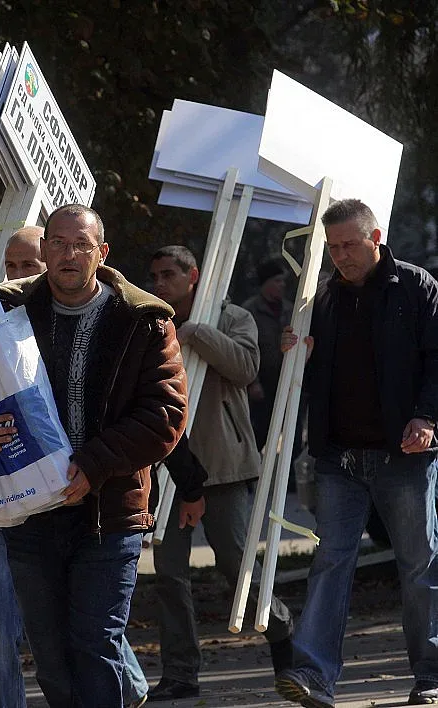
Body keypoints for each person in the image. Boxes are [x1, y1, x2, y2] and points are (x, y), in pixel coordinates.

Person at [0, 205, 206, 708]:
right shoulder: (5, 309)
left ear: (101, 254)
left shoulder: (143, 319)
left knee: (95, 643)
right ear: (45, 251)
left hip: (108, 511)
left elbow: (166, 414)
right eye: (58, 243)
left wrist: (95, 464)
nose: (68, 255)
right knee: (51, 653)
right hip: (28, 511)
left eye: (81, 245)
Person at [276, 198, 438, 708]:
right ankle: (313, 676)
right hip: (339, 457)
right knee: (331, 562)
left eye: (349, 245)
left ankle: (431, 675)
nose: (340, 256)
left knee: (419, 564)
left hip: (405, 456)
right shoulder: (321, 298)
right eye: (332, 248)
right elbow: (310, 373)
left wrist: (428, 417)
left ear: (376, 238)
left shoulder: (417, 287)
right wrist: (294, 349)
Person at [146, 246, 294, 701]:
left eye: (168, 274)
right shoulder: (149, 319)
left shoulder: (233, 317)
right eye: (154, 275)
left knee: (238, 566)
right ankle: (181, 671)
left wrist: (195, 334)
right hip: (169, 468)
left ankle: (284, 638)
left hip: (223, 465)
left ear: (193, 277)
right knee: (169, 573)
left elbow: (246, 367)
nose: (159, 283)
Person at [242, 257, 292, 450]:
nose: (282, 285)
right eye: (277, 280)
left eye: (283, 281)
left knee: (289, 444)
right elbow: (244, 348)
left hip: (285, 384)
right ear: (266, 283)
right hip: (260, 386)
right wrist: (252, 382)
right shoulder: (249, 311)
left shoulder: (290, 309)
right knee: (256, 437)